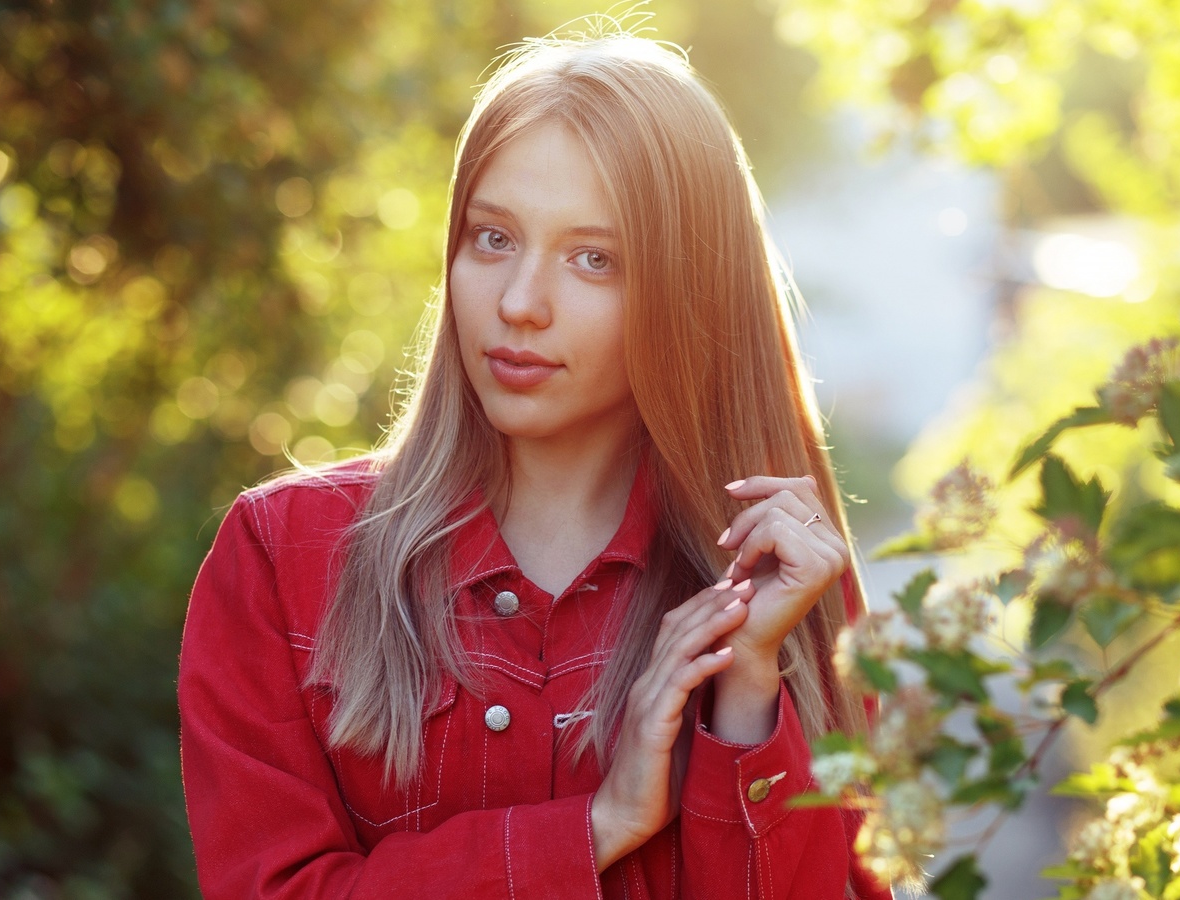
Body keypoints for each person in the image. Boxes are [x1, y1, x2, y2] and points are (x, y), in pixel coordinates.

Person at [179, 26, 892, 900]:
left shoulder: (785, 585)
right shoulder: (281, 555)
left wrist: (747, 695)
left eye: (594, 260)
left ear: (689, 288)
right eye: (493, 239)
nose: (520, 304)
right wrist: (594, 830)